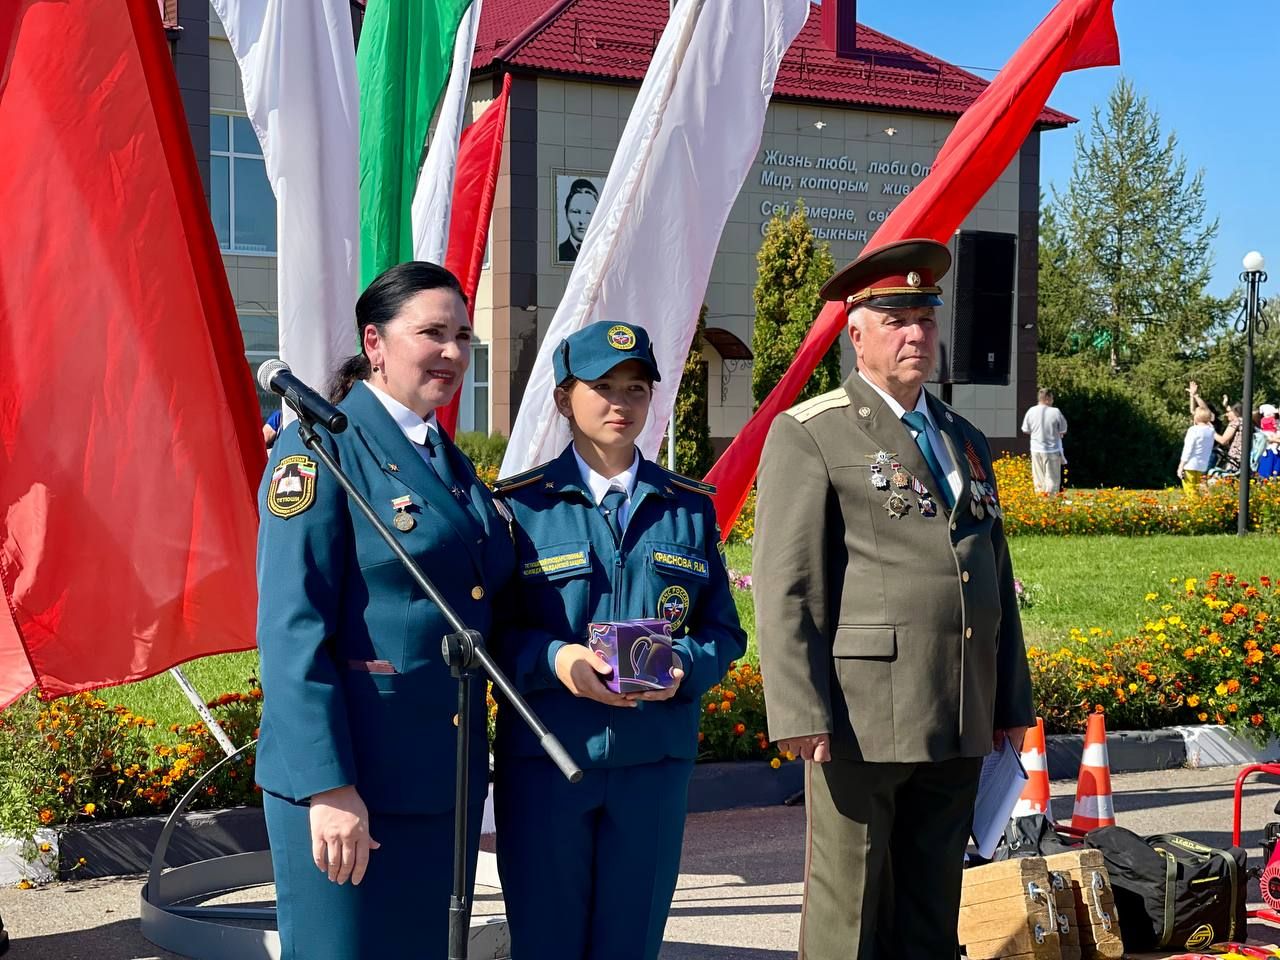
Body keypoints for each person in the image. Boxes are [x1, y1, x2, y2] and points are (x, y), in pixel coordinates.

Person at [753, 239, 1033, 960]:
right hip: (861, 716)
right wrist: (798, 710)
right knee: (851, 912)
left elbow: (993, 576)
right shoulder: (812, 433)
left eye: (926, 319)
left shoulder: (961, 438)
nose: (916, 335)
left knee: (930, 907)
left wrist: (1009, 705)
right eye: (896, 319)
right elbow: (788, 585)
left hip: (958, 710)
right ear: (857, 334)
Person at [255, 262, 516, 959]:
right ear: (375, 342)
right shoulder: (318, 449)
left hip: (438, 779)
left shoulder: (443, 460)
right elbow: (291, 629)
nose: (454, 352)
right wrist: (328, 786)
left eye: (464, 336)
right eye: (432, 333)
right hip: (352, 782)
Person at [491, 320, 746, 960]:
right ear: (562, 399)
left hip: (652, 768)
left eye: (636, 388)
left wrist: (685, 663)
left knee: (630, 944)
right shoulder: (522, 509)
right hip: (550, 762)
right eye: (602, 386)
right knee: (546, 942)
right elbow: (491, 634)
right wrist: (557, 659)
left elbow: (723, 630)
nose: (620, 404)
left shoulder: (687, 507)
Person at [1020, 387, 1068, 494]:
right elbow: (1063, 430)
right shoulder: (1055, 412)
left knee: (1038, 479)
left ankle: (1040, 501)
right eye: (1051, 398)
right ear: (1047, 398)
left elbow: (1025, 430)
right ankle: (1049, 502)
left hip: (1036, 450)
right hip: (1052, 450)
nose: (1052, 401)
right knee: (1052, 479)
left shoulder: (1031, 411)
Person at [558, 178, 599, 263]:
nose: (582, 221)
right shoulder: (560, 251)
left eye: (588, 213)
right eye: (576, 212)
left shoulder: (605, 253)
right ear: (566, 214)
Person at [1177, 407, 1215, 497]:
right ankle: (1204, 505)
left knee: (1190, 489)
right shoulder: (1211, 431)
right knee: (1200, 489)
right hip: (1203, 465)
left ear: (1196, 417)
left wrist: (1181, 465)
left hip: (1190, 465)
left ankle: (1195, 507)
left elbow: (1188, 449)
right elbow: (1210, 425)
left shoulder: (1193, 430)